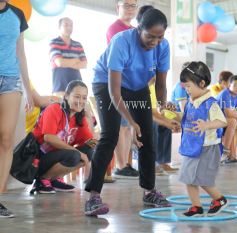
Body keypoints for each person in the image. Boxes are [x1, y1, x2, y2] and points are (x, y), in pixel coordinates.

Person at [85, 8, 171, 216]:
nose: (155, 41)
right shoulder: (121, 42)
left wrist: (164, 107)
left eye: (159, 37)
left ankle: (149, 191)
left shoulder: (163, 46)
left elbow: (160, 84)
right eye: (150, 36)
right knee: (110, 135)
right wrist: (131, 122)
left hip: (137, 85)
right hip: (107, 84)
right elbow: (115, 93)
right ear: (138, 28)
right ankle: (93, 197)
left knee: (147, 135)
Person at [174, 61, 228, 217]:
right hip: (193, 146)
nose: (186, 90)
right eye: (185, 87)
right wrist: (170, 113)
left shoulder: (211, 104)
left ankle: (219, 199)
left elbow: (222, 121)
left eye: (188, 86)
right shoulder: (191, 103)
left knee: (201, 179)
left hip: (207, 148)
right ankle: (196, 206)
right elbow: (185, 118)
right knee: (187, 177)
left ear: (202, 83)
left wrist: (207, 125)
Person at [0, 0, 34, 218]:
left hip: (11, 79)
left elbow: (20, 52)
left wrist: (28, 88)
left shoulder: (17, 14)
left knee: (5, 139)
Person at [31, 81, 94, 193]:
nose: (80, 101)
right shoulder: (55, 109)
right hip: (38, 159)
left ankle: (54, 179)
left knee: (91, 151)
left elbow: (89, 141)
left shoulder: (79, 117)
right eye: (77, 96)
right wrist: (79, 153)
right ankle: (42, 180)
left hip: (58, 155)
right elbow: (49, 138)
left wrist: (101, 144)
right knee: (74, 155)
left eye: (84, 98)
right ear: (66, 96)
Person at [106, 0, 140, 180]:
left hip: (131, 82)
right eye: (126, 5)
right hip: (118, 81)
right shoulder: (114, 28)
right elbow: (124, 55)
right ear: (117, 8)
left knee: (127, 127)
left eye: (133, 5)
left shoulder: (135, 30)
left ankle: (126, 164)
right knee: (121, 125)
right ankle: (120, 165)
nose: (130, 8)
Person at [49, 17, 87, 96]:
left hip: (77, 86)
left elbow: (84, 64)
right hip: (60, 86)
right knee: (60, 107)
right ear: (59, 27)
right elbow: (59, 62)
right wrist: (76, 60)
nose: (69, 27)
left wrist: (65, 62)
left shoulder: (78, 45)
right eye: (66, 25)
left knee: (79, 107)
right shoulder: (54, 42)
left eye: (71, 25)